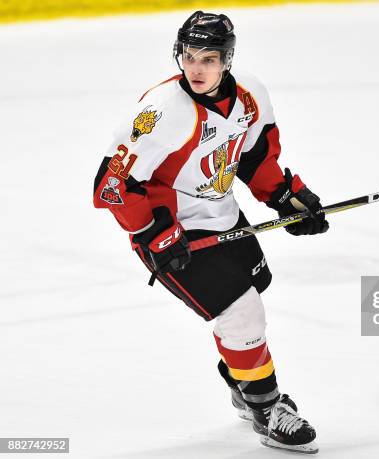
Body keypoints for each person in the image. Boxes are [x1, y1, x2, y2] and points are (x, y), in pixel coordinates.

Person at [93, 11, 328, 454]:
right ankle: (267, 408)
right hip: (171, 231)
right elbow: (112, 185)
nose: (196, 69)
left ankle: (244, 383)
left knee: (257, 286)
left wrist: (285, 197)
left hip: (222, 214)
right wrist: (154, 233)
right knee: (242, 313)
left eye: (208, 59)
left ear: (228, 60)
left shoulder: (250, 95)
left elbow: (255, 156)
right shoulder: (161, 111)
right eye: (188, 56)